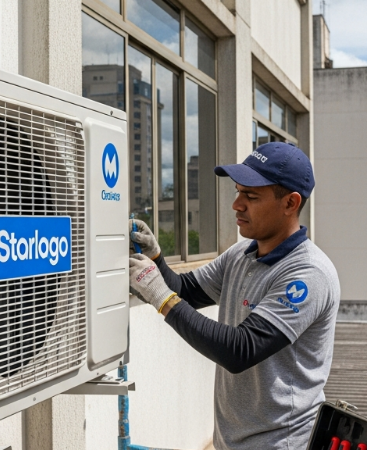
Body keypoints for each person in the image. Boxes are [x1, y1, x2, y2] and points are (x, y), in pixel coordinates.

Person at [127, 142, 340, 449]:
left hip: (282, 442)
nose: (236, 204)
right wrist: (157, 257)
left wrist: (160, 297)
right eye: (238, 191)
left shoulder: (307, 273)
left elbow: (240, 350)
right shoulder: (241, 254)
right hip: (231, 440)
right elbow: (186, 291)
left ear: (291, 203)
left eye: (251, 196)